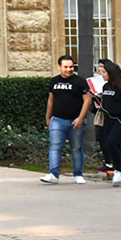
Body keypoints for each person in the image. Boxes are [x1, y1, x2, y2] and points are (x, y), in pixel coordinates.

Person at [40, 55, 92, 184]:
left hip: (76, 121)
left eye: (71, 67)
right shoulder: (54, 81)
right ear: (59, 67)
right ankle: (53, 174)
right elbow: (51, 100)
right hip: (58, 120)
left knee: (76, 148)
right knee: (55, 146)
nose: (69, 69)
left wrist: (81, 118)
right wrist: (48, 117)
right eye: (65, 67)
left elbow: (87, 101)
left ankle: (78, 174)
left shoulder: (80, 81)